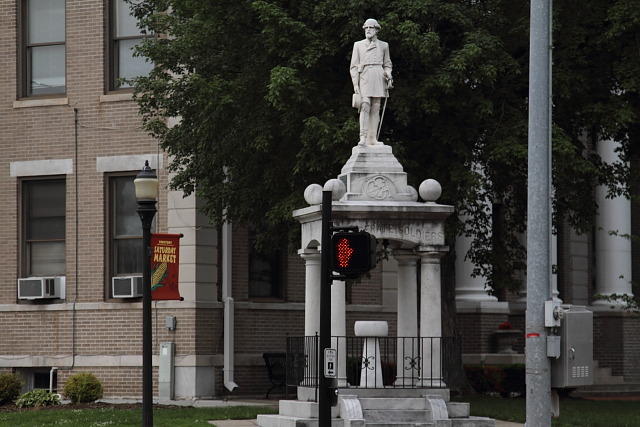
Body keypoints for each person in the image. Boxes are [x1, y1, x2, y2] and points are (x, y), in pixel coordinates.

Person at [350, 18, 393, 146]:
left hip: (378, 76)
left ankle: (372, 137)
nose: (368, 30)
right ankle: (363, 136)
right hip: (364, 77)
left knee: (375, 108)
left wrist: (388, 73)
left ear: (376, 30)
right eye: (366, 28)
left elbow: (387, 64)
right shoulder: (358, 45)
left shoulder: (384, 45)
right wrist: (355, 85)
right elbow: (353, 67)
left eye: (371, 28)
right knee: (365, 106)